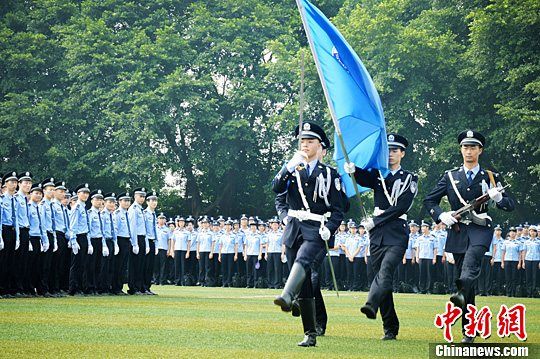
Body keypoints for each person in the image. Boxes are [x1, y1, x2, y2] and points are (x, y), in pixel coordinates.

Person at [424, 130, 515, 343]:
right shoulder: (450, 176)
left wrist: (499, 197)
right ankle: (469, 330)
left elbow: (510, 205)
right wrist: (441, 215)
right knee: (469, 288)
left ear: (480, 150)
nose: (469, 151)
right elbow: (429, 201)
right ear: (460, 149)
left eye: (473, 147)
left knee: (470, 265)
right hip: (457, 232)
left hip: (480, 230)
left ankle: (461, 288)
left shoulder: (491, 177)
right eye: (465, 147)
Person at [272, 122, 346, 347]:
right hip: (294, 227)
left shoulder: (330, 174)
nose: (305, 144)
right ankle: (310, 333)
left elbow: (340, 208)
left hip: (316, 229)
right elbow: (276, 190)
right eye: (302, 141)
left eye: (310, 141)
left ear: (320, 146)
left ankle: (286, 295)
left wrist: (330, 227)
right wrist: (288, 167)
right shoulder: (292, 169)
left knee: (304, 260)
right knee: (304, 284)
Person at [345, 133, 417, 342]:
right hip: (377, 234)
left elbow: (402, 206)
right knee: (376, 276)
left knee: (385, 272)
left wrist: (376, 220)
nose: (391, 154)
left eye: (395, 150)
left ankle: (371, 304)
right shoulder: (378, 174)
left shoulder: (409, 178)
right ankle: (390, 327)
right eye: (389, 150)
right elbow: (363, 178)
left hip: (396, 232)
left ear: (402, 153)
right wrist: (353, 170)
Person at [68, 183, 91, 296]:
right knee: (76, 264)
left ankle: (81, 287)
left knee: (83, 264)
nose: (86, 195)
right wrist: (73, 240)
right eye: (83, 192)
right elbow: (73, 225)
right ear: (78, 194)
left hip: (84, 237)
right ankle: (73, 288)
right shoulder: (76, 207)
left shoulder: (83, 207)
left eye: (87, 193)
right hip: (78, 237)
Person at [128, 187, 148, 295]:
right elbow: (133, 227)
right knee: (135, 264)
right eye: (140, 196)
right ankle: (133, 287)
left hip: (142, 238)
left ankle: (139, 286)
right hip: (136, 238)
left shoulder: (141, 209)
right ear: (135, 196)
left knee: (141, 264)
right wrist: (134, 243)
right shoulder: (133, 209)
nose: (142, 198)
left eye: (144, 196)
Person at [112, 192, 131, 295]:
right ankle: (115, 287)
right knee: (118, 265)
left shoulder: (127, 213)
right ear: (119, 202)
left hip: (127, 240)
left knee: (123, 266)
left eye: (128, 201)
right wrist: (116, 243)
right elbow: (116, 229)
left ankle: (119, 287)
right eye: (125, 200)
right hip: (120, 240)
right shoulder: (118, 214)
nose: (127, 203)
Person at [142, 190, 159, 295]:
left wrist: (156, 244)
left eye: (156, 200)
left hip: (153, 241)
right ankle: (143, 287)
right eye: (152, 200)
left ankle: (148, 286)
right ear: (147, 202)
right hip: (146, 241)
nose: (154, 202)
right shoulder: (145, 213)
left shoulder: (154, 214)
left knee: (150, 266)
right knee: (145, 265)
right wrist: (147, 244)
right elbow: (144, 230)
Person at [414, 221, 437, 294]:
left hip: (430, 258)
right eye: (422, 227)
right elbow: (417, 248)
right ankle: (422, 289)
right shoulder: (419, 238)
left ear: (427, 228)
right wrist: (417, 257)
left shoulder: (432, 238)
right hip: (421, 257)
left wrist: (434, 258)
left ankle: (429, 289)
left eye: (424, 227)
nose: (422, 228)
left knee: (429, 274)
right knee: (422, 274)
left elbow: (435, 249)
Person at [501, 227, 522, 297]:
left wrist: (519, 263)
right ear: (509, 233)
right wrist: (502, 262)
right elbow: (503, 253)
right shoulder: (505, 242)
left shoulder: (518, 243)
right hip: (507, 261)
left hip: (515, 261)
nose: (512, 233)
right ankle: (508, 292)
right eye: (511, 232)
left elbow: (520, 254)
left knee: (514, 277)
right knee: (507, 277)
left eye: (514, 231)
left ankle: (513, 293)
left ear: (516, 233)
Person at [521, 225, 539, 297]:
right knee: (528, 277)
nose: (532, 232)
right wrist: (523, 262)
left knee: (535, 277)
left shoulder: (538, 241)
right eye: (531, 231)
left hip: (536, 260)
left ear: (536, 233)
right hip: (528, 259)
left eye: (534, 231)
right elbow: (524, 252)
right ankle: (529, 293)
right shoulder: (526, 242)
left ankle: (534, 292)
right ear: (529, 232)